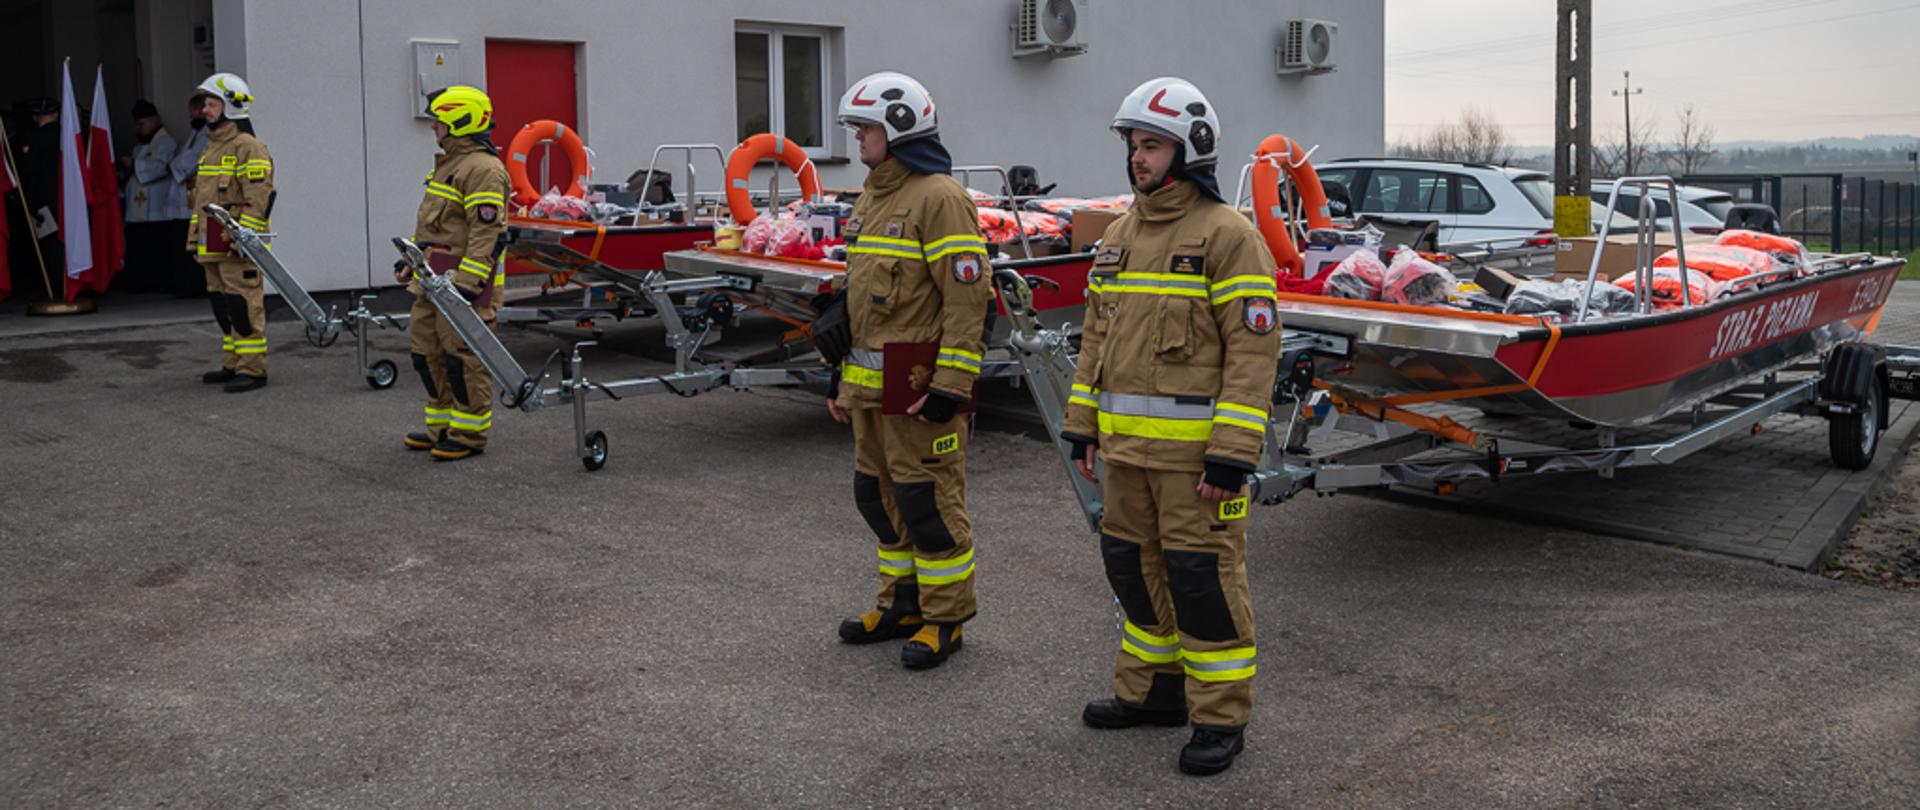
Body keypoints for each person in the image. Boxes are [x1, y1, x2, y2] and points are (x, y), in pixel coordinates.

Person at [1059, 77, 1282, 776]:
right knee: (1132, 570)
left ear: (1191, 150)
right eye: (1134, 144)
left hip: (1196, 467)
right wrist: (1081, 424)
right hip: (1125, 455)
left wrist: (1232, 455)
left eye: (1152, 145)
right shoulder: (1120, 235)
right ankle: (1152, 693)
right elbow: (1096, 339)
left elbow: (1253, 354)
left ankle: (1220, 718)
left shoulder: (1230, 237)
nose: (1138, 157)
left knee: (1202, 582)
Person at [813, 71, 992, 669]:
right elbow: (861, 296)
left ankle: (946, 619)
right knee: (878, 498)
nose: (857, 137)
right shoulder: (872, 197)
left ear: (898, 129)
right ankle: (902, 605)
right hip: (868, 388)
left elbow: (968, 301)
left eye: (864, 127)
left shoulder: (940, 198)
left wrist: (950, 387)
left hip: (917, 392)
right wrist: (838, 372)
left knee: (928, 505)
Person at [398, 85, 510, 462]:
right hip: (432, 282)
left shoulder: (483, 169)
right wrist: (411, 259)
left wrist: (468, 285)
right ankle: (441, 427)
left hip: (462, 287)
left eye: (438, 120)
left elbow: (486, 233)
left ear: (460, 121)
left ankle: (469, 434)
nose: (433, 126)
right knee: (426, 353)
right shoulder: (449, 164)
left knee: (463, 359)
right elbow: (435, 225)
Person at [184, 73, 274, 392]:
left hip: (234, 242)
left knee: (242, 304)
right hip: (211, 239)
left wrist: (243, 238)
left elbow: (258, 197)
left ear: (232, 106)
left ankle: (253, 369)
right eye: (204, 104)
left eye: (212, 104)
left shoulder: (248, 147)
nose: (205, 110)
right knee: (222, 305)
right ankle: (233, 364)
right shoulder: (212, 146)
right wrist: (195, 239)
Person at [119, 99, 188, 294]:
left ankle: (158, 283)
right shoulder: (139, 147)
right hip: (138, 212)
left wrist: (133, 165)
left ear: (154, 120)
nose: (138, 128)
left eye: (141, 124)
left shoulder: (167, 142)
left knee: (156, 248)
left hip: (157, 208)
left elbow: (160, 168)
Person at [167, 94, 209, 297]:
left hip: (195, 192)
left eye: (193, 112)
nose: (190, 117)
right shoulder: (195, 133)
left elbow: (191, 160)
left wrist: (172, 167)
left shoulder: (207, 134)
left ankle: (194, 286)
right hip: (184, 193)